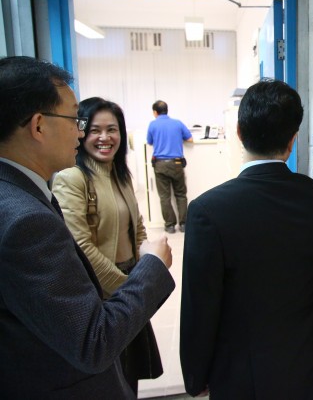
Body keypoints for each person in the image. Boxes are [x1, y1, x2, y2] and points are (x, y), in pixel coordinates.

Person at [0, 56, 175, 399]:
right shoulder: (25, 220)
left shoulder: (22, 192)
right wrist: (150, 269)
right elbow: (92, 341)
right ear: (38, 126)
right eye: (75, 120)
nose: (80, 133)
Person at [180, 79, 313, 398]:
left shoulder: (208, 210)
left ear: (239, 132)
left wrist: (196, 375)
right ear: (293, 139)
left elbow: (200, 306)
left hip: (242, 375)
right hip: (305, 363)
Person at [52, 97, 163, 395]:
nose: (105, 138)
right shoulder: (72, 178)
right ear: (81, 132)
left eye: (112, 129)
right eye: (95, 130)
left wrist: (145, 270)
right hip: (102, 293)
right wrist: (131, 289)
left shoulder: (120, 175)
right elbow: (81, 248)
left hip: (127, 282)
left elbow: (138, 228)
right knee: (110, 382)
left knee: (130, 377)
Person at [146, 100, 193, 233]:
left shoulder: (153, 124)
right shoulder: (177, 123)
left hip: (160, 164)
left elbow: (149, 142)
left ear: (155, 112)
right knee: (181, 194)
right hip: (177, 164)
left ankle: (170, 226)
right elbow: (190, 139)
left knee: (164, 197)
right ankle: (183, 224)